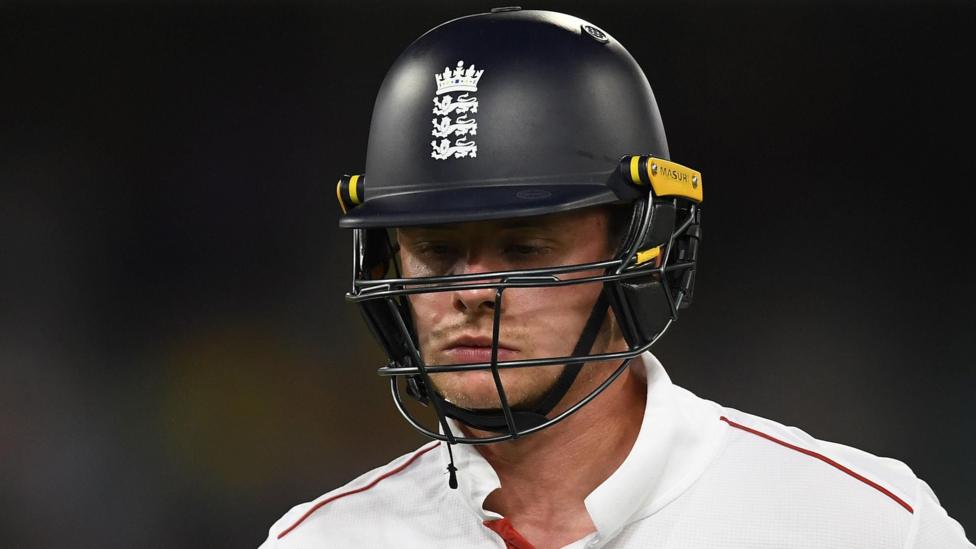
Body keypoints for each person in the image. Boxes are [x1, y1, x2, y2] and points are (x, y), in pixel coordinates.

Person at [261, 8, 972, 548]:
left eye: (523, 248)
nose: (470, 292)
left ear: (642, 247)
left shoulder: (864, 526)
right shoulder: (320, 542)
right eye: (436, 251)